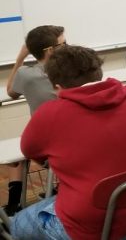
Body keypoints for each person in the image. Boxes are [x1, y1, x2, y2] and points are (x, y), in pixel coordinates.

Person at [11, 45, 126, 240]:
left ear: (56, 87)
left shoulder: (49, 115)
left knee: (18, 224)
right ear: (98, 72)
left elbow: (30, 150)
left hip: (98, 228)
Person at [3, 25, 65, 215]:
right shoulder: (73, 70)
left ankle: (13, 206)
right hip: (72, 145)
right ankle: (57, 189)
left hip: (46, 150)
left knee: (17, 156)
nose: (67, 47)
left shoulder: (26, 74)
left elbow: (11, 92)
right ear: (50, 51)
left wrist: (20, 58)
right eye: (63, 44)